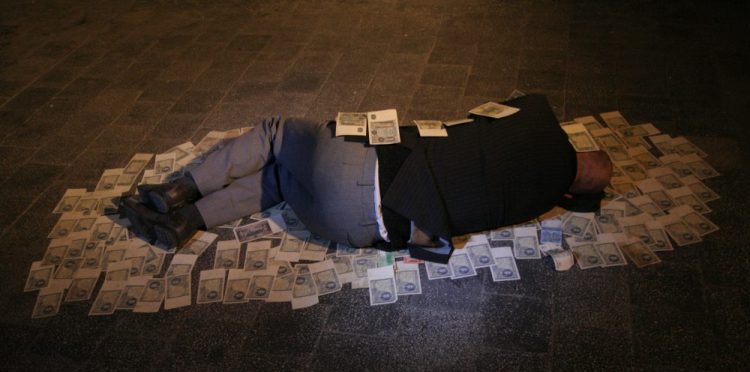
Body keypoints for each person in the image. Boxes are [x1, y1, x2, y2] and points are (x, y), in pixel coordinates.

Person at [119, 94, 612, 263]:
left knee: (277, 132)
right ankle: (187, 222)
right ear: (571, 193)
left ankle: (179, 190)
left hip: (355, 170)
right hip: (352, 228)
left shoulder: (541, 124)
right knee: (283, 179)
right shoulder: (540, 200)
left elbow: (520, 103)